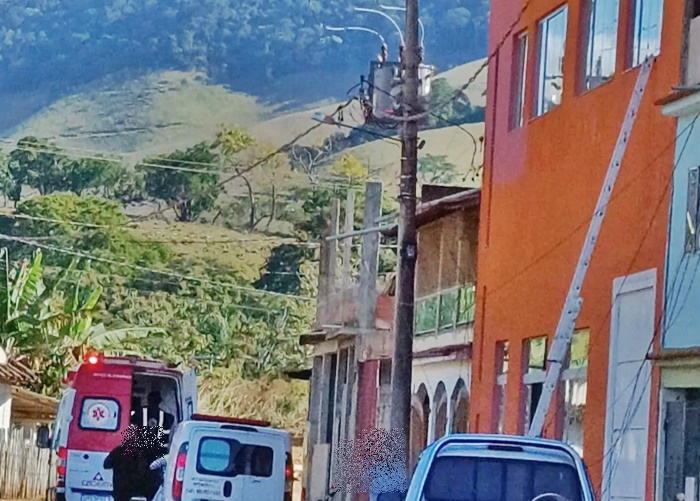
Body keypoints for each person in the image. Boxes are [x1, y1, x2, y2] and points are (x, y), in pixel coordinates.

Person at [104, 426, 168, 501]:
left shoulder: (118, 451)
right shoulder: (144, 452)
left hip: (121, 488)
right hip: (141, 487)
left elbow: (106, 464)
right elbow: (148, 468)